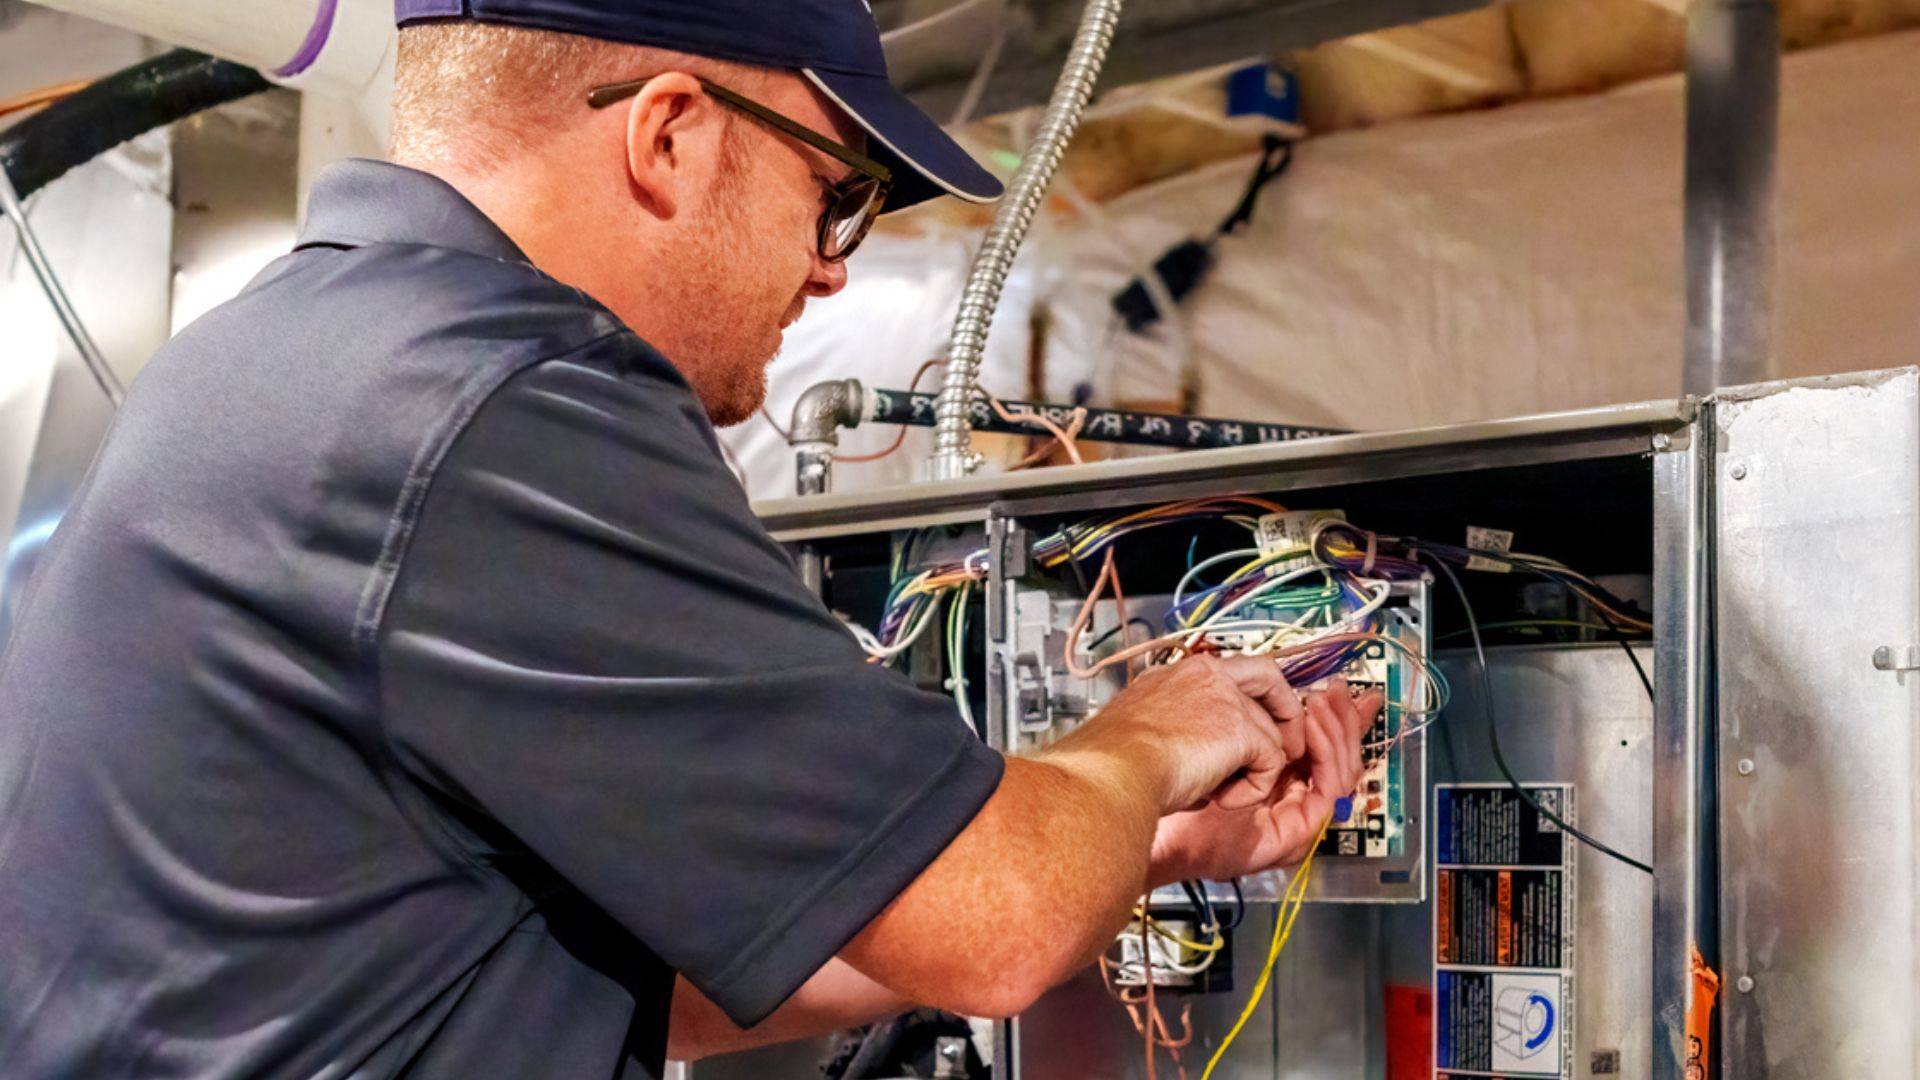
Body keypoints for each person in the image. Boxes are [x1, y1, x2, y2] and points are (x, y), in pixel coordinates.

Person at [0, 1, 1383, 1076]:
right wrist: (1149, 739)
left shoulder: (276, 355)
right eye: (835, 188)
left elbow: (657, 982)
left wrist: (1142, 847)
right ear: (669, 133)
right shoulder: (504, 404)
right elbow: (1000, 922)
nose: (834, 260)